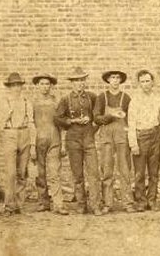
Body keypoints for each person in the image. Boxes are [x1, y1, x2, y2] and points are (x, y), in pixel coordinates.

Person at [54, 67, 103, 216]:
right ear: (72, 83)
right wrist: (72, 120)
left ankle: (95, 205)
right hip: (73, 139)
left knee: (93, 173)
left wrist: (92, 123)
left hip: (88, 139)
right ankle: (81, 205)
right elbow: (57, 119)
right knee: (77, 174)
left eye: (82, 80)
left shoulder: (92, 97)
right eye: (76, 81)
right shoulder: (65, 99)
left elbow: (98, 117)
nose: (80, 84)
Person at [94, 70, 134, 213]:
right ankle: (107, 203)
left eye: (118, 78)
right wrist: (110, 115)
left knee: (124, 170)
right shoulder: (101, 97)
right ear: (108, 80)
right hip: (106, 136)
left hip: (122, 136)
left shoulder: (126, 98)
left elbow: (131, 119)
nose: (115, 80)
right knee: (107, 170)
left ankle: (128, 203)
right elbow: (96, 118)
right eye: (112, 78)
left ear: (121, 81)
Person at [0, 72, 36, 216]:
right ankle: (9, 205)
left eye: (18, 85)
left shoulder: (27, 102)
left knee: (22, 172)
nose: (16, 88)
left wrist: (32, 143)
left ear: (21, 86)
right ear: (9, 87)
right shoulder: (4, 102)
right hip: (10, 134)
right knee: (11, 173)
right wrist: (6, 114)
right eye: (13, 85)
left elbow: (32, 122)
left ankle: (18, 205)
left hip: (24, 134)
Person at [32, 73, 69, 215]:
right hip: (38, 139)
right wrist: (31, 145)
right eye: (42, 84)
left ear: (51, 86)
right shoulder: (32, 102)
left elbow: (61, 124)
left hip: (54, 139)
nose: (45, 87)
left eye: (47, 84)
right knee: (40, 173)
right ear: (37, 86)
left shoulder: (56, 102)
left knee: (54, 171)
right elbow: (30, 123)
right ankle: (43, 202)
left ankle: (58, 204)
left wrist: (63, 143)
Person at [127, 70, 160, 212]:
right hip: (141, 136)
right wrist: (133, 144)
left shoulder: (158, 99)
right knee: (140, 173)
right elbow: (131, 123)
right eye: (142, 81)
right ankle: (141, 200)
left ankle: (152, 200)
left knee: (154, 172)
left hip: (155, 135)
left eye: (148, 81)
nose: (145, 84)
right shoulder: (135, 101)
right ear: (139, 83)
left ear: (152, 82)